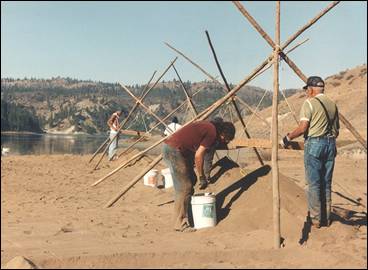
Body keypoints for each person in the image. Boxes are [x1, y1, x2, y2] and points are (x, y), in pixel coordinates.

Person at [280, 76, 340, 229]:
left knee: (314, 184)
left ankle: (315, 219)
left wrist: (287, 138)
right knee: (326, 183)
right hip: (331, 144)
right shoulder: (332, 104)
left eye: (307, 89)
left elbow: (303, 128)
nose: (306, 92)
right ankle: (326, 218)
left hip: (315, 144)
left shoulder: (309, 103)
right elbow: (337, 130)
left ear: (312, 89)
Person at [162, 119, 236, 232]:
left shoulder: (208, 127)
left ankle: (188, 214)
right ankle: (180, 223)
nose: (224, 142)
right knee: (185, 187)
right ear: (223, 134)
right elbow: (198, 155)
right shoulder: (212, 133)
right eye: (225, 139)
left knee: (191, 181)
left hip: (176, 150)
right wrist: (202, 176)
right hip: (174, 151)